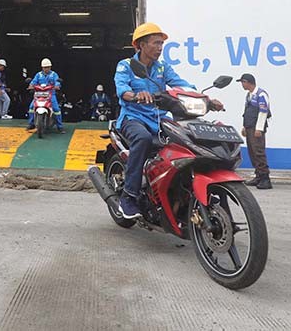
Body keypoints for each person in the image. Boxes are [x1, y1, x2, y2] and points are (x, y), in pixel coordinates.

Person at [114, 23, 223, 219]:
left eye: (162, 44)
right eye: (156, 43)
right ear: (141, 45)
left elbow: (182, 84)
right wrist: (136, 95)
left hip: (159, 119)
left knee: (184, 144)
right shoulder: (126, 66)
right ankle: (128, 196)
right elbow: (122, 90)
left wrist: (205, 99)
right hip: (133, 118)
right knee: (143, 139)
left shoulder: (163, 67)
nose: (160, 48)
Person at [238, 73, 272, 189]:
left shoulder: (260, 94)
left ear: (248, 82)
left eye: (243, 82)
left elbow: (263, 112)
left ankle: (265, 179)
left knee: (259, 152)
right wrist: (244, 126)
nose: (242, 85)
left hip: (257, 129)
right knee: (252, 152)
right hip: (249, 127)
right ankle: (258, 176)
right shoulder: (249, 95)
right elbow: (247, 111)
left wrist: (259, 129)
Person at [26, 58, 64, 133]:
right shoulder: (38, 75)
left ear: (50, 67)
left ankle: (60, 127)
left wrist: (57, 85)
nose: (46, 69)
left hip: (50, 94)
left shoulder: (54, 74)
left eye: (47, 67)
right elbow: (34, 82)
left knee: (56, 109)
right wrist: (31, 85)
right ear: (42, 67)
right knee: (31, 107)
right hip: (39, 94)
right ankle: (31, 124)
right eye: (44, 67)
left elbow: (57, 81)